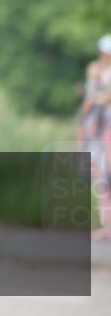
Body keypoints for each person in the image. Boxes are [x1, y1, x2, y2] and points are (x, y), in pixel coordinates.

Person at [84, 34, 111, 240]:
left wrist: (94, 81)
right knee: (101, 177)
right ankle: (107, 226)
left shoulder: (100, 72)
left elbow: (99, 100)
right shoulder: (99, 71)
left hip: (106, 128)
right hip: (100, 129)